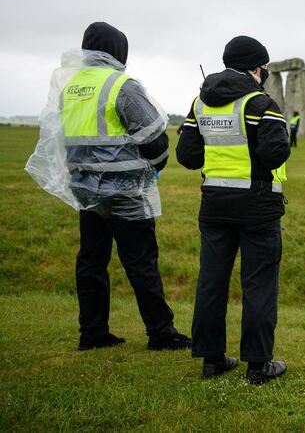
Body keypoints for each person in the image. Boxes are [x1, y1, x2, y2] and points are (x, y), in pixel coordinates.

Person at [25, 22, 191, 352]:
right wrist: (156, 167)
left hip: (86, 190)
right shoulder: (121, 85)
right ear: (118, 50)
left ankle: (93, 331)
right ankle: (160, 332)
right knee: (141, 262)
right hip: (125, 191)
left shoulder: (70, 86)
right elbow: (155, 138)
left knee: (91, 261)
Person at [176, 35, 290, 384]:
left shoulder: (201, 102)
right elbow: (275, 153)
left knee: (211, 281)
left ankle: (211, 360)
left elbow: (188, 155)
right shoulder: (261, 103)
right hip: (257, 205)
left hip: (213, 204)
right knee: (258, 284)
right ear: (256, 67)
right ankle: (258, 365)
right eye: (264, 68)